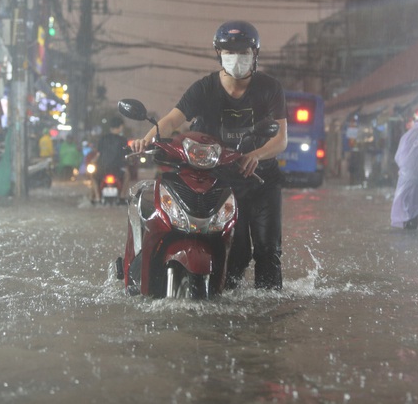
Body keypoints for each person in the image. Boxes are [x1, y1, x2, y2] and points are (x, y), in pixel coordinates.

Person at [129, 20, 288, 290]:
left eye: (243, 52)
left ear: (255, 54)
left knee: (267, 251)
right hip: (220, 182)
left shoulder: (270, 88)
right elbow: (171, 121)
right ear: (219, 54)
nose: (236, 58)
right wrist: (147, 140)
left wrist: (256, 156)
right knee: (233, 252)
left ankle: (268, 313)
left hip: (262, 180)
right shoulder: (203, 89)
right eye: (229, 52)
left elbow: (281, 138)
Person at [91, 116, 130, 204]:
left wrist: (92, 161)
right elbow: (126, 156)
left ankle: (97, 197)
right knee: (127, 175)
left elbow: (98, 154)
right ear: (120, 127)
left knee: (93, 176)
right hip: (117, 169)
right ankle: (122, 196)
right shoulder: (123, 140)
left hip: (102, 169)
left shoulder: (102, 138)